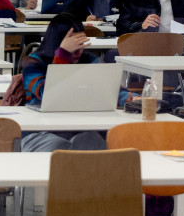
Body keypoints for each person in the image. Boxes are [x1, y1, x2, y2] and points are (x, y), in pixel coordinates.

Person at [20, 13, 132, 152]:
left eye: (81, 44)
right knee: (58, 146)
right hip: (41, 130)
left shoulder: (89, 60)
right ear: (57, 43)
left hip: (83, 126)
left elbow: (108, 87)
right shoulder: (33, 62)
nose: (79, 51)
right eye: (73, 46)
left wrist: (127, 98)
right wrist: (63, 56)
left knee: (94, 141)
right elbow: (48, 94)